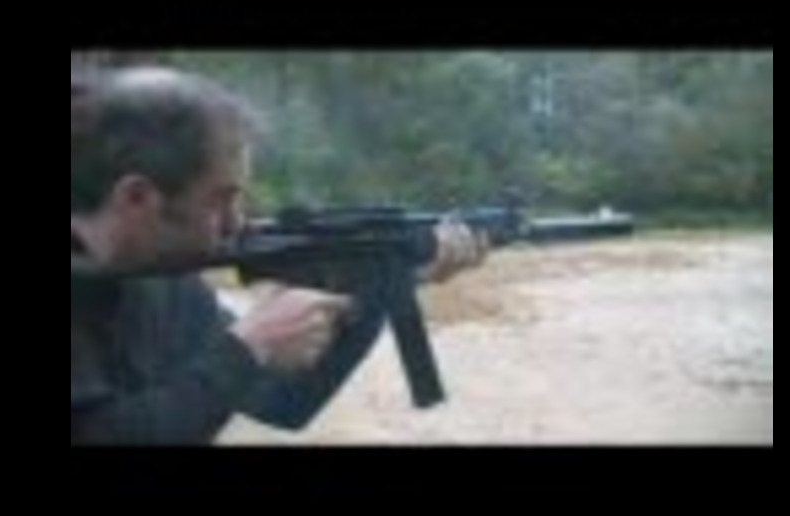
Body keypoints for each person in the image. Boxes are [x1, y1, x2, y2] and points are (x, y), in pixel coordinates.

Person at [71, 65, 489, 445]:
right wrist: (249, 346)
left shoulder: (166, 285)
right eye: (220, 199)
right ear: (137, 197)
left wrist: (380, 282)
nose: (237, 223)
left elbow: (283, 402)